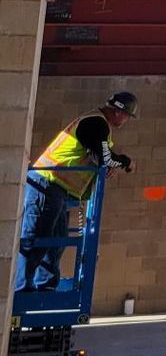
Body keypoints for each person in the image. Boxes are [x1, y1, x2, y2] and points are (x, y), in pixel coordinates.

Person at [15, 92, 138, 293]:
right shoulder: (95, 124)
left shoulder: (97, 126)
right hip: (47, 184)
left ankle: (45, 288)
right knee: (38, 238)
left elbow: (99, 157)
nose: (125, 121)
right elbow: (106, 157)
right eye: (126, 116)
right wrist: (126, 162)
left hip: (59, 190)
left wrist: (108, 164)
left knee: (56, 241)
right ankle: (22, 290)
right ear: (118, 112)